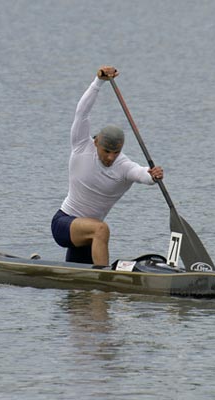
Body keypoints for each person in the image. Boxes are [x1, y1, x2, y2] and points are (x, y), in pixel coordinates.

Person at [51, 66, 163, 266]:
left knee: (80, 289)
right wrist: (98, 82)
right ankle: (106, 283)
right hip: (64, 223)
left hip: (87, 239)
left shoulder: (124, 166)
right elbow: (81, 113)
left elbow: (142, 174)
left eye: (116, 152)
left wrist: (153, 176)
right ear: (96, 143)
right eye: (106, 151)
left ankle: (89, 290)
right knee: (101, 229)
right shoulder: (81, 146)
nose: (111, 157)